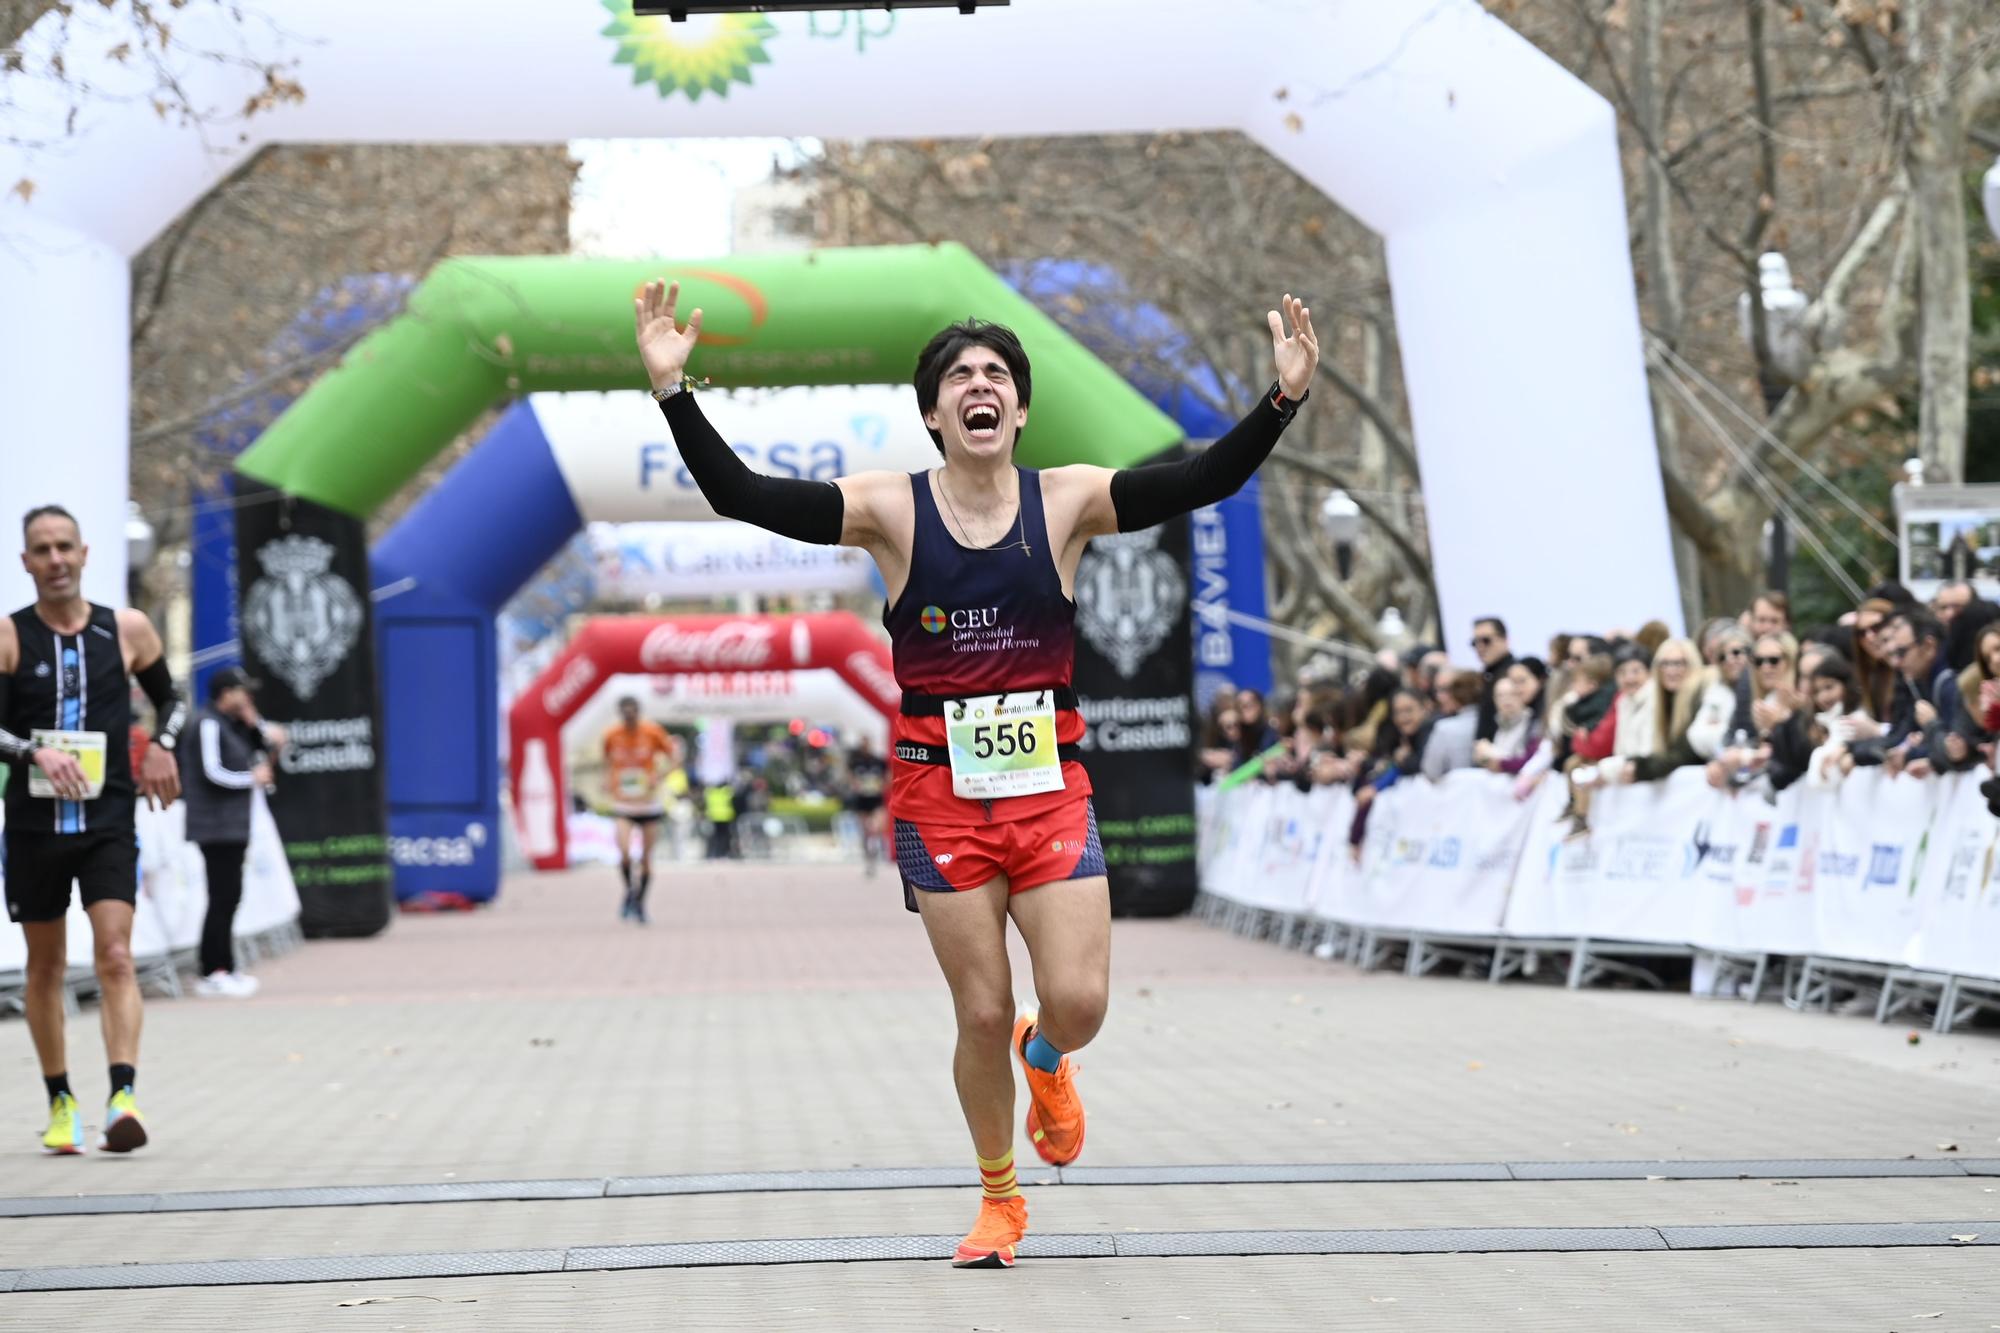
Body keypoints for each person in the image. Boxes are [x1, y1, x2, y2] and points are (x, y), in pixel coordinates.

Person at [636, 277, 1317, 1268]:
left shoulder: (1070, 498)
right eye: (958, 376)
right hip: (936, 796)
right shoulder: (887, 510)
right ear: (933, 413)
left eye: (995, 372)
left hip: (1048, 787)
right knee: (981, 1008)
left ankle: (1048, 1061)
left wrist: (1280, 400)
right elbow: (745, 496)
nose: (978, 385)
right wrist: (672, 391)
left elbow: (1202, 480)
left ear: (1020, 406)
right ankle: (998, 1197)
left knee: (1074, 1002)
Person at [2, 505, 186, 1155]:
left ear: (85, 554)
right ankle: (60, 1101)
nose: (54, 560)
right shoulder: (9, 636)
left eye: (64, 547)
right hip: (33, 826)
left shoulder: (126, 628)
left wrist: (162, 744)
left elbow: (174, 697)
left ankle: (122, 1097)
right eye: (41, 550)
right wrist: (31, 753)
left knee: (114, 953)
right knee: (46, 963)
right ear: (25, 562)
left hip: (107, 820)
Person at [178, 666, 286, 997]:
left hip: (233, 825)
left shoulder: (233, 724)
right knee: (222, 896)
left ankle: (226, 965)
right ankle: (213, 970)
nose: (248, 697)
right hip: (215, 825)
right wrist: (249, 779)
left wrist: (256, 724)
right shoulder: (208, 723)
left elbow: (266, 743)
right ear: (226, 692)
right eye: (243, 691)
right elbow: (212, 772)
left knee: (230, 896)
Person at [602, 696, 677, 923]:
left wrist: (660, 776)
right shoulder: (611, 736)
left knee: (645, 858)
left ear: (638, 712)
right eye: (625, 713)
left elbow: (674, 757)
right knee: (624, 853)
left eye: (632, 713)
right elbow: (606, 762)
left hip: (648, 803)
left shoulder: (652, 732)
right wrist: (607, 780)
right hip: (624, 803)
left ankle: (640, 905)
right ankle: (629, 892)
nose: (629, 717)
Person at [845, 735, 889, 874]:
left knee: (877, 826)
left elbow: (888, 776)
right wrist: (855, 784)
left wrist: (881, 785)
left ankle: (877, 848)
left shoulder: (878, 761)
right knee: (864, 831)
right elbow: (849, 776)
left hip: (876, 799)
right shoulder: (856, 762)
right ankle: (868, 858)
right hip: (862, 800)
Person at [1470, 616, 1515, 742]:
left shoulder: (1513, 674)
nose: (1480, 647)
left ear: (1504, 639)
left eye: (1486, 640)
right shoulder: (1486, 676)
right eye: (1475, 642)